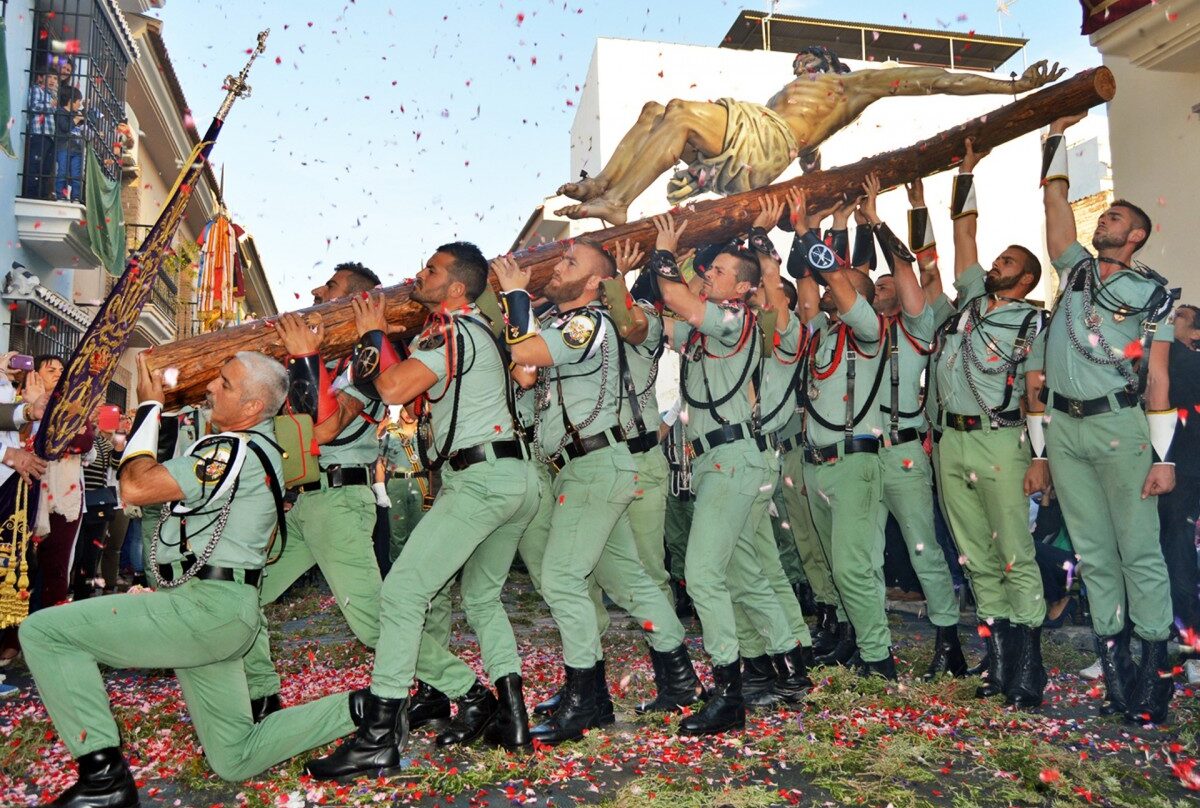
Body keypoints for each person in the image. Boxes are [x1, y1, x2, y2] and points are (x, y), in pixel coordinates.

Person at [19, 351, 357, 807]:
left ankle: (104, 780)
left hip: (202, 610)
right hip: (218, 616)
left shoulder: (231, 448)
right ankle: (370, 709)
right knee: (235, 757)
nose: (211, 388)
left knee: (44, 632)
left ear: (254, 408)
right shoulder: (250, 448)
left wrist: (148, 409)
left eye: (225, 383)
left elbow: (137, 487)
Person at [305, 242, 542, 779]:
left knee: (403, 592)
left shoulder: (449, 327)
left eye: (431, 269)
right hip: (514, 477)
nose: (418, 273)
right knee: (482, 597)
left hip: (480, 480)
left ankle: (379, 737)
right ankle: (512, 718)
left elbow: (392, 388)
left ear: (456, 288)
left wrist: (373, 332)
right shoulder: (483, 330)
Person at [493, 240, 701, 744]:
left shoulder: (586, 321)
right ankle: (680, 680)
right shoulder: (559, 325)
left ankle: (589, 700)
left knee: (562, 577)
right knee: (628, 580)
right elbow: (525, 373)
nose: (557, 267)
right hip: (585, 468)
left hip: (594, 467)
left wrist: (514, 295)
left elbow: (526, 352)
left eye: (570, 263)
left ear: (592, 284)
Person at [1031, 112, 1178, 724]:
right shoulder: (1074, 273)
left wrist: (1163, 457)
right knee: (1092, 551)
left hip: (1120, 427)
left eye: (1116, 217)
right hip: (1065, 430)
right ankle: (1115, 667)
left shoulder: (1154, 293)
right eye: (1105, 215)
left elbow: (1160, 377)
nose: (1104, 221)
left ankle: (1154, 675)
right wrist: (1056, 139)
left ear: (1138, 235)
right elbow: (1056, 207)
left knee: (1138, 550)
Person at [553, 51, 1064, 224]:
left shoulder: (851, 87)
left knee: (683, 112)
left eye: (807, 63)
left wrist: (1012, 86)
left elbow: (936, 80)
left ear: (828, 67)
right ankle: (603, 187)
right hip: (760, 145)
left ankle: (619, 200)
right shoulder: (800, 106)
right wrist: (812, 190)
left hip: (767, 141)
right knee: (654, 111)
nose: (798, 67)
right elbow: (810, 161)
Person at [904, 140, 1048, 707]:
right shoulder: (964, 307)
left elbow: (1036, 396)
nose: (994, 264)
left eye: (1008, 262)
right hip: (950, 444)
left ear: (1026, 279)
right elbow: (954, 242)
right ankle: (997, 659)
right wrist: (949, 180)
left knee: (1013, 549)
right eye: (998, 259)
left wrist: (1039, 457)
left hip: (999, 442)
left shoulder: (1031, 322)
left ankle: (1029, 667)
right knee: (975, 555)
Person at [646, 212, 790, 733]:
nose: (710, 276)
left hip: (734, 458)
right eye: (711, 270)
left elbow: (680, 301)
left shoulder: (734, 319)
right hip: (714, 460)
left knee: (705, 573)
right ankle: (780, 669)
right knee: (738, 571)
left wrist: (665, 251)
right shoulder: (705, 327)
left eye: (721, 272)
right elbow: (660, 322)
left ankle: (729, 695)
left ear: (745, 288)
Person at [242, 261, 388, 722]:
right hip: (303, 503)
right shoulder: (321, 363)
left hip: (341, 503)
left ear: (355, 301)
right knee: (246, 594)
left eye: (332, 286)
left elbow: (323, 429)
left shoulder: (371, 363)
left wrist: (305, 358)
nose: (316, 288)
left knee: (371, 622)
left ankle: (458, 690)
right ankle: (262, 698)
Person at [857, 174, 966, 679]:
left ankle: (949, 641)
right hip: (858, 456)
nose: (882, 290)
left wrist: (887, 218)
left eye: (887, 286)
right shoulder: (856, 334)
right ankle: (873, 648)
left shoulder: (919, 325)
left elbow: (916, 268)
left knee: (924, 548)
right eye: (875, 288)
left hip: (903, 453)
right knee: (863, 554)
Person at [1158, 304, 1200, 668]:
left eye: (1181, 317)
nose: (1171, 320)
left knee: (1178, 559)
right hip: (1151, 470)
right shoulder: (1158, 357)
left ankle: (1191, 652)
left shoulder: (1188, 363)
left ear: (1196, 333)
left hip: (1183, 475)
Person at [23, 71, 58, 199]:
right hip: (38, 133)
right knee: (35, 165)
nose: (52, 80)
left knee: (46, 168)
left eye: (55, 78)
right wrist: (50, 105)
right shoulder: (37, 90)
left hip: (49, 135)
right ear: (41, 77)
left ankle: (41, 194)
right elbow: (33, 106)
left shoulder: (51, 95)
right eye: (49, 77)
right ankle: (31, 194)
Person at [55, 85, 87, 202]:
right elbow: (64, 127)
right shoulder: (60, 112)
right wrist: (76, 120)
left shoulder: (76, 113)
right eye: (78, 101)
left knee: (76, 174)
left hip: (77, 149)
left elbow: (90, 120)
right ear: (70, 101)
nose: (79, 104)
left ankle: (76, 196)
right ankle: (60, 194)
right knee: (62, 171)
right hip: (63, 147)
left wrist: (84, 110)